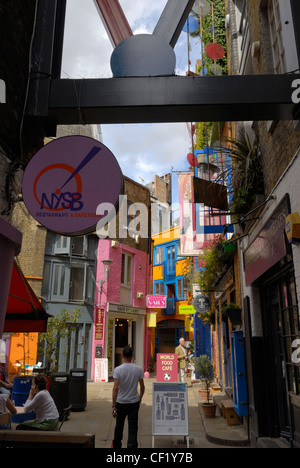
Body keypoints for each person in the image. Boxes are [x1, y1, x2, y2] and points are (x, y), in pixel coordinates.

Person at [112, 345, 145, 449]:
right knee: (133, 427)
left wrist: (113, 405)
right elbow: (142, 386)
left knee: (119, 426)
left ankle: (117, 445)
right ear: (132, 355)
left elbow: (115, 388)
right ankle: (132, 446)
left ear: (122, 356)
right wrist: (140, 398)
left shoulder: (118, 370)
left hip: (121, 402)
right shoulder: (138, 369)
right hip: (134, 402)